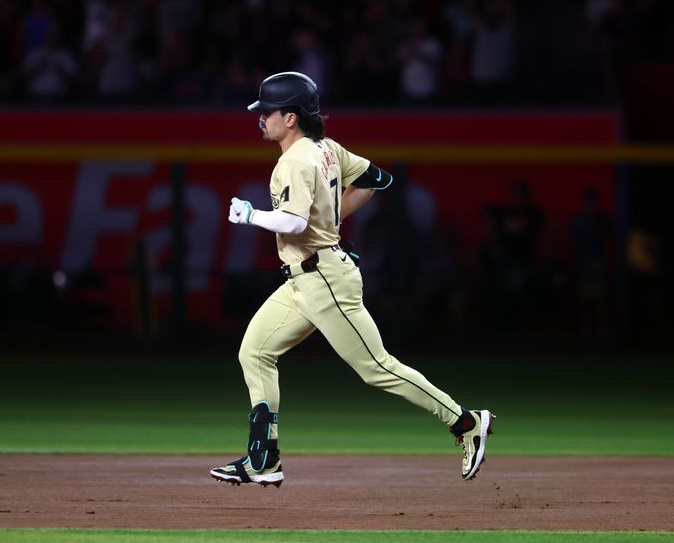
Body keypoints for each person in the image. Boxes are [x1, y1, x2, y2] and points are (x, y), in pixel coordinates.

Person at [210, 72, 494, 487]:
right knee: (254, 352)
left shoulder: (293, 160)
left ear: (291, 118)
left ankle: (465, 421)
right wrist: (331, 221)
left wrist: (251, 215)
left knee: (378, 368)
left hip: (323, 279)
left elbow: (292, 220)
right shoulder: (326, 148)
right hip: (303, 280)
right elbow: (378, 179)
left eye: (268, 111)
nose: (260, 118)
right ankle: (263, 460)